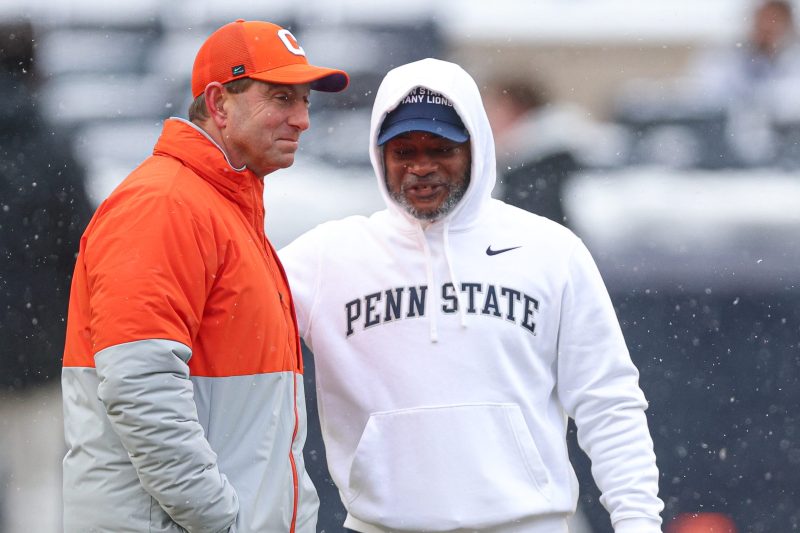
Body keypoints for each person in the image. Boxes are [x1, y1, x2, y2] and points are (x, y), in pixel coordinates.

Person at [279, 58, 664, 533]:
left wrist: (638, 521)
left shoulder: (550, 249)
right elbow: (223, 321)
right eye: (404, 151)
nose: (421, 167)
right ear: (380, 155)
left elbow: (608, 402)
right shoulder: (326, 257)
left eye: (441, 149)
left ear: (475, 147)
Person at [61, 20, 348, 533]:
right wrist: (222, 520)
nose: (303, 119)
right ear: (218, 103)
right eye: (282, 98)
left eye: (305, 101)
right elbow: (139, 387)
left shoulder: (219, 206)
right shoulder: (165, 204)